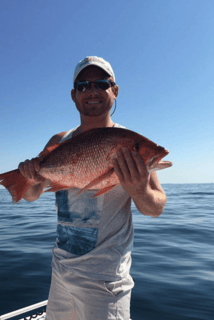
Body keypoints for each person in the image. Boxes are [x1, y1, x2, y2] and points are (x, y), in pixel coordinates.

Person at [18, 56, 167, 320]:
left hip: (106, 280)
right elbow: (31, 195)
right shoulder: (58, 141)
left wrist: (140, 190)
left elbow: (155, 207)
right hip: (60, 269)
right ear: (74, 95)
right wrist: (30, 178)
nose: (92, 91)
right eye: (84, 86)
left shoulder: (130, 142)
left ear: (115, 90)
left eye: (101, 83)